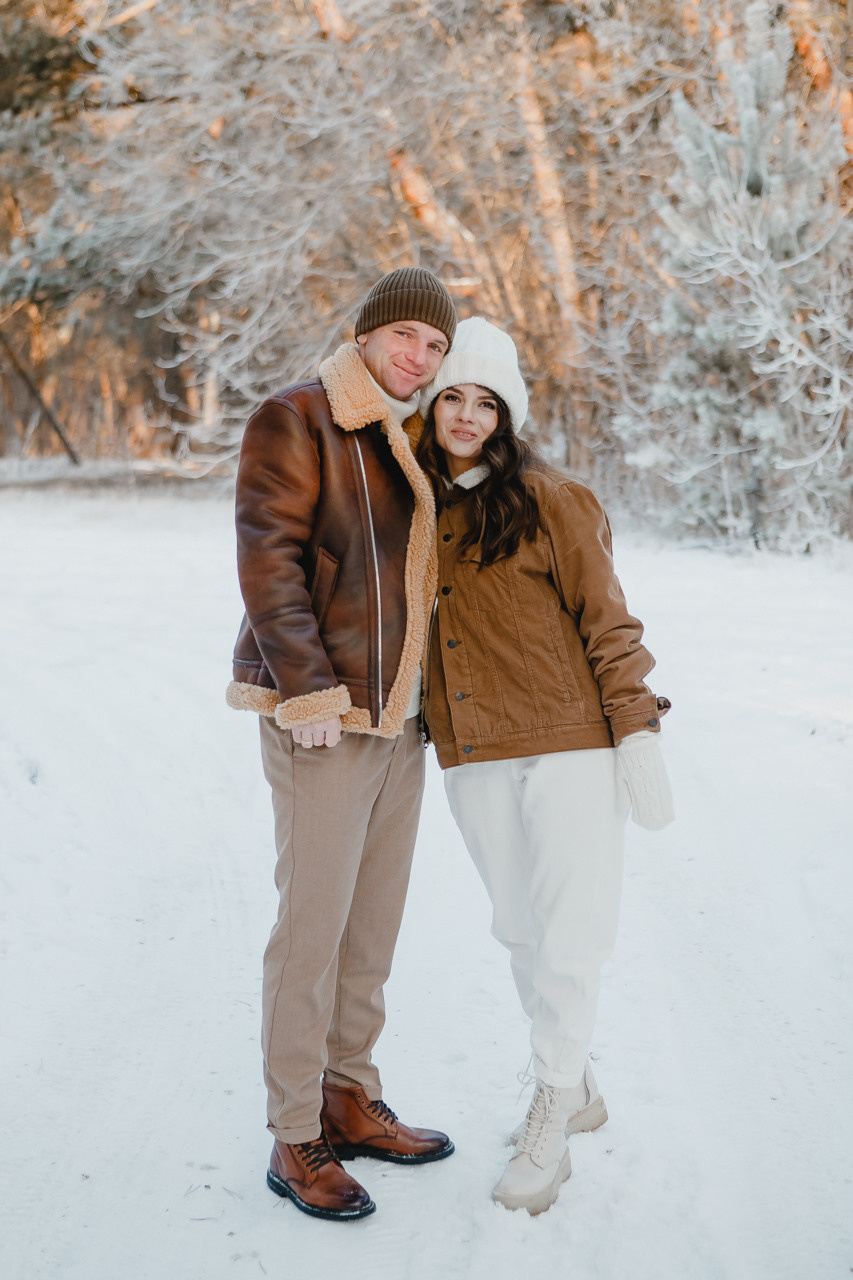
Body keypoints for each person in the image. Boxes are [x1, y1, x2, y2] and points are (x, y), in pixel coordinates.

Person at [415, 317, 674, 1216]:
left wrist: (634, 728)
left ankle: (552, 1109)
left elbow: (609, 621)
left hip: (568, 746)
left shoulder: (553, 499)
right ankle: (580, 1084)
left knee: (569, 934)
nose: (467, 414)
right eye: (453, 394)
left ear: (507, 414)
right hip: (472, 750)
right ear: (430, 402)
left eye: (486, 401)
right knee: (520, 929)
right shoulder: (412, 507)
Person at [226, 268, 458, 1222]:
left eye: (436, 346)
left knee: (370, 929)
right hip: (324, 714)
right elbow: (268, 555)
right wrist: (307, 685)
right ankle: (294, 1130)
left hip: (397, 718)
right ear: (365, 334)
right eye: (404, 335)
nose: (418, 356)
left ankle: (348, 1094)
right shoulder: (300, 415)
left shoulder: (417, 435)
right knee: (312, 930)